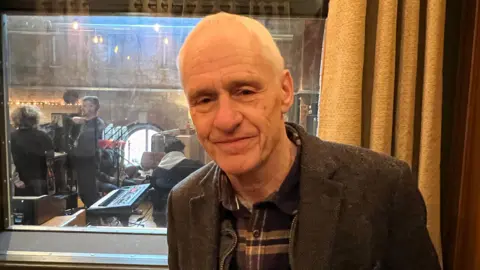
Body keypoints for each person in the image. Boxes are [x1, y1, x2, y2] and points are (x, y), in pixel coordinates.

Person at [167, 12, 440, 270]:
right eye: (204, 99)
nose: (226, 120)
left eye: (245, 91)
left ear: (285, 91)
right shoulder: (183, 202)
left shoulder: (383, 188)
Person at [151, 138, 203, 226]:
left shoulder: (156, 171)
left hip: (160, 215)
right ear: (182, 151)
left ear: (166, 153)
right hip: (188, 214)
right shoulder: (195, 166)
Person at [10, 105, 54, 196]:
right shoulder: (43, 136)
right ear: (35, 119)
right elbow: (50, 159)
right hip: (41, 180)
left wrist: (16, 180)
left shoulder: (11, 137)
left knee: (22, 209)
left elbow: (8, 161)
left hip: (19, 182)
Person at [71, 96, 105, 207]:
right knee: (82, 191)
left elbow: (93, 137)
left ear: (96, 107)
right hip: (79, 159)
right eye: (85, 106)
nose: (87, 108)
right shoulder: (80, 123)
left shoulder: (98, 123)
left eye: (91, 105)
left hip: (90, 159)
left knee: (89, 190)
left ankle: (97, 215)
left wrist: (84, 122)